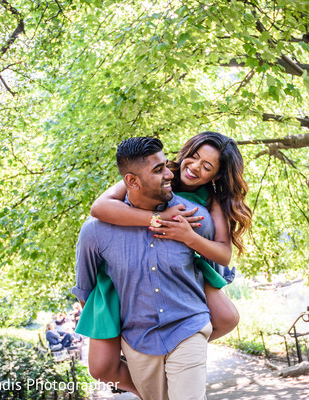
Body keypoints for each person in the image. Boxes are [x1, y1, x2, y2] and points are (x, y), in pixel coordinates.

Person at [76, 132, 252, 395]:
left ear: (215, 176)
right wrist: (155, 219)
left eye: (207, 167)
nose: (194, 168)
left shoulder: (208, 206)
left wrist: (188, 236)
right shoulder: (157, 172)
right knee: (104, 368)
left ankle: (185, 346)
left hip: (189, 280)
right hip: (138, 319)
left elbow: (224, 253)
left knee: (227, 317)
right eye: (193, 158)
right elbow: (99, 208)